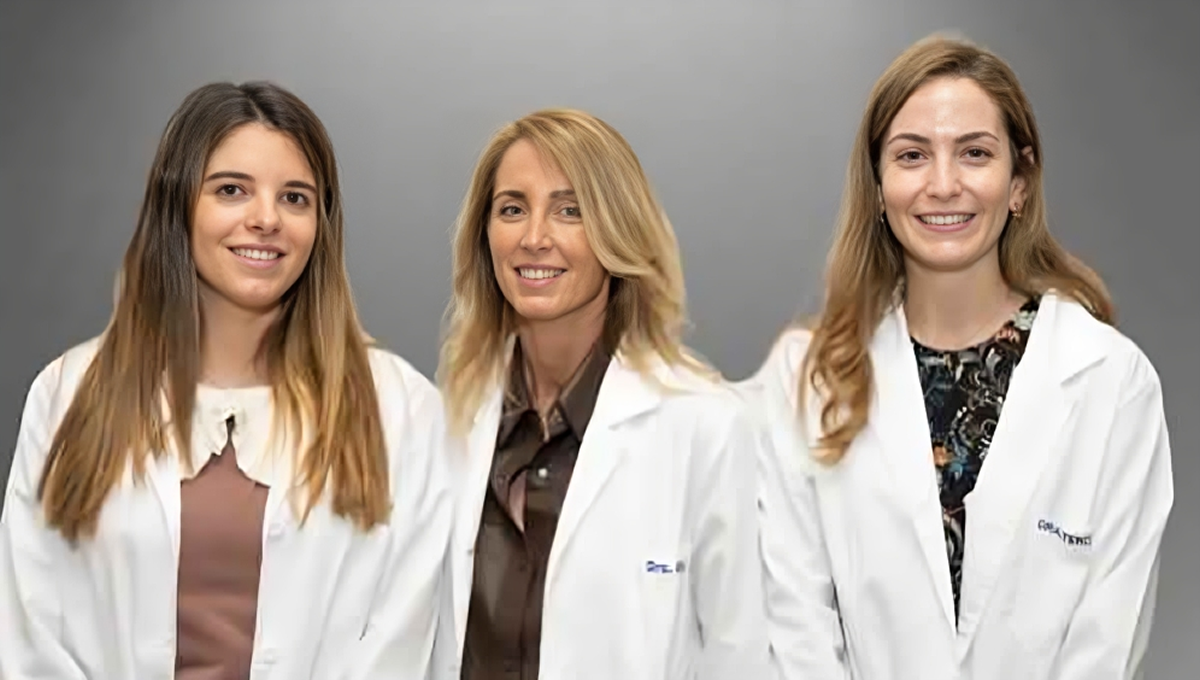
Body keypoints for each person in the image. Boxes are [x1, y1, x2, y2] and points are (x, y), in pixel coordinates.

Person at [747, 35, 1174, 680]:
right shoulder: (805, 380)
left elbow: (1108, 638)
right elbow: (794, 626)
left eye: (974, 153)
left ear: (1019, 183)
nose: (943, 185)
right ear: (878, 186)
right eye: (912, 155)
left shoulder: (1112, 381)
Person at [0, 81, 452, 679]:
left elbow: (404, 641)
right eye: (231, 190)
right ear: (177, 205)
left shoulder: (402, 408)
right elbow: (30, 630)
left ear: (320, 223)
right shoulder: (68, 393)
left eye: (294, 198)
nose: (265, 219)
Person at [434, 108, 770, 680]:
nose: (534, 238)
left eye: (570, 210)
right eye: (512, 209)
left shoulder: (707, 424)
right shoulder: (448, 418)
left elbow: (737, 655)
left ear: (618, 229)